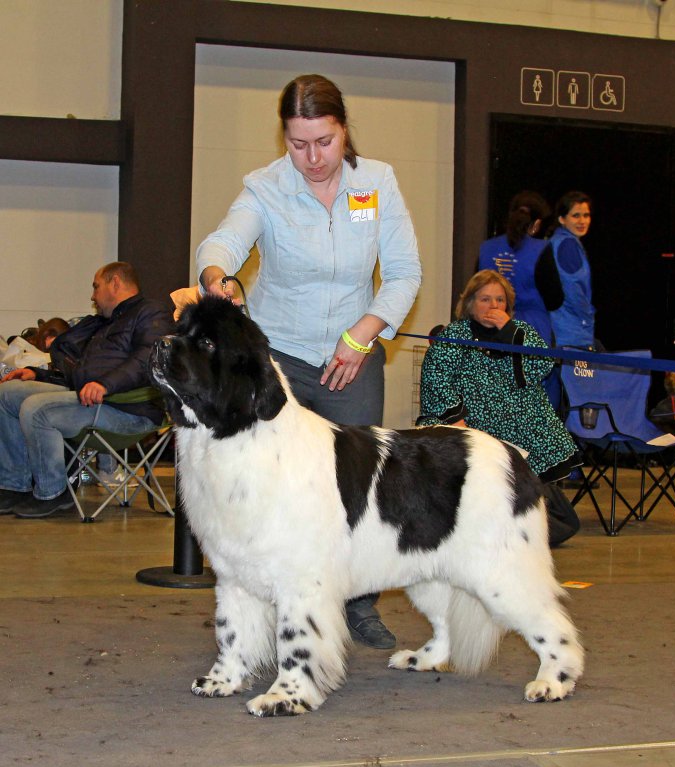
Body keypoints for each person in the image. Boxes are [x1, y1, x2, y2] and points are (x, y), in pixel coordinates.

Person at [195, 74, 422, 649]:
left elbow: (403, 276)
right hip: (281, 362)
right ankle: (264, 602)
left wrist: (363, 335)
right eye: (298, 144)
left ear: (344, 130)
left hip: (354, 358)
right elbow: (221, 243)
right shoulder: (265, 187)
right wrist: (216, 276)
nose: (313, 158)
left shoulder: (379, 184)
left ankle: (359, 605)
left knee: (357, 489)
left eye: (324, 141)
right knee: (273, 488)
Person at [417, 270, 581, 546]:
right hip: (472, 424)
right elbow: (436, 379)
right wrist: (456, 422)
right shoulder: (454, 336)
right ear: (469, 303)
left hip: (519, 424)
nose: (493, 306)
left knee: (565, 524)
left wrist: (508, 332)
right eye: (484, 299)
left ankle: (514, 523)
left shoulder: (521, 333)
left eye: (499, 300)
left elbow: (541, 365)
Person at [0, 261, 174, 518]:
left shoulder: (152, 312)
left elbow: (149, 358)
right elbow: (80, 374)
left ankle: (53, 492)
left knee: (36, 410)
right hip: (94, 399)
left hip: (127, 408)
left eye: (96, 287)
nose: (92, 296)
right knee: (7, 393)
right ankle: (15, 485)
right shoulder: (105, 323)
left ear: (115, 283)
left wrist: (106, 384)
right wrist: (38, 373)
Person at [478, 190, 563, 407]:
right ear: (536, 224)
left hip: (488, 327)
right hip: (532, 329)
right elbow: (555, 299)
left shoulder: (487, 248)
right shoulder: (541, 250)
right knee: (535, 396)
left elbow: (472, 290)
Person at [546, 191, 596, 350]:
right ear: (562, 219)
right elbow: (572, 288)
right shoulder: (568, 245)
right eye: (576, 216)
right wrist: (587, 318)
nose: (582, 221)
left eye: (586, 215)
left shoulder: (558, 241)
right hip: (570, 329)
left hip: (560, 327)